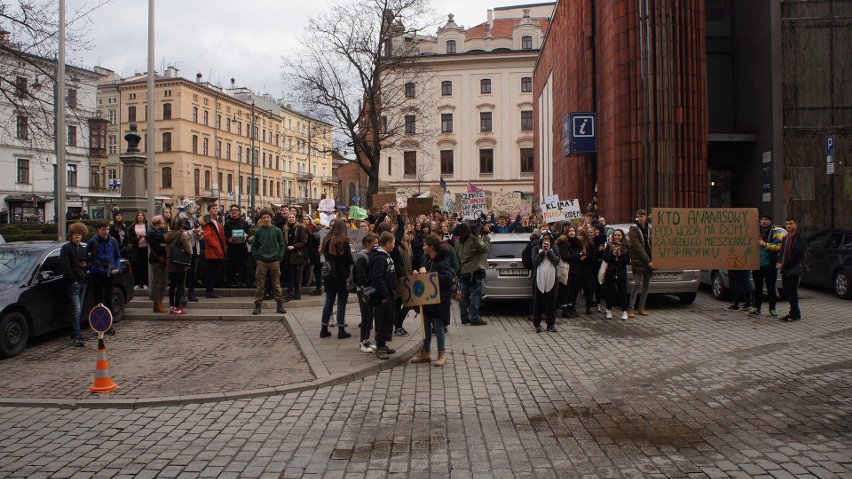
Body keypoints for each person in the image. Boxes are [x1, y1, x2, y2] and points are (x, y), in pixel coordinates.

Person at [410, 234, 454, 366]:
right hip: (427, 300)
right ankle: (426, 352)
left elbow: (447, 278)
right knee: (425, 327)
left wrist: (427, 275)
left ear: (432, 247)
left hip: (438, 301)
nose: (423, 247)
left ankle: (441, 353)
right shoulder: (427, 260)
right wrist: (417, 274)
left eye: (425, 245)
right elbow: (425, 275)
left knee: (438, 327)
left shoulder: (443, 261)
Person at [319, 220, 355, 339]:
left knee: (329, 301)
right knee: (341, 302)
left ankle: (324, 329)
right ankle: (341, 329)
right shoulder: (343, 242)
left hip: (329, 274)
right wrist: (352, 252)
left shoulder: (326, 240)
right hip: (341, 275)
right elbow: (349, 260)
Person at [87, 220, 121, 335]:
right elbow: (85, 255)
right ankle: (99, 325)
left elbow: (117, 256)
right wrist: (90, 266)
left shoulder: (112, 241)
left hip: (109, 273)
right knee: (98, 300)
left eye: (107, 229)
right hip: (97, 273)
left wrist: (117, 267)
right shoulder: (93, 241)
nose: (106, 232)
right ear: (98, 230)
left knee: (108, 298)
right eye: (103, 229)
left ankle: (109, 324)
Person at [749, 212, 786, 318]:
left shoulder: (776, 232)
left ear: (770, 221)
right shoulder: (755, 231)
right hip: (757, 264)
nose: (763, 221)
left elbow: (779, 246)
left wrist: (766, 244)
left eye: (766, 219)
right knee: (757, 288)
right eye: (762, 219)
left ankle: (772, 309)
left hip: (770, 264)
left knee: (771, 288)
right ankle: (756, 307)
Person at [251, 209, 286, 315]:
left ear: (271, 218)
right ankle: (258, 305)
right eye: (264, 218)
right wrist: (257, 257)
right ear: (261, 219)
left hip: (274, 260)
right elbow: (254, 246)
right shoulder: (258, 232)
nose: (266, 219)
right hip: (262, 261)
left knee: (276, 284)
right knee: (260, 284)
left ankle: (279, 304)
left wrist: (279, 256)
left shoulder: (277, 231)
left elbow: (281, 245)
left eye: (267, 217)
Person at [454, 221, 490, 326]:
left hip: (463, 271)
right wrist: (486, 237)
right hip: (474, 271)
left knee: (464, 295)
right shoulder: (474, 240)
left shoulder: (458, 242)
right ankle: (474, 317)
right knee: (475, 294)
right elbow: (485, 248)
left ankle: (464, 317)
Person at [60, 222, 90, 346]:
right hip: (74, 283)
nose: (77, 235)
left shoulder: (82, 249)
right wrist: (73, 279)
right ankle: (77, 335)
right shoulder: (66, 248)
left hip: (82, 281)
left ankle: (75, 332)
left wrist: (85, 266)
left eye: (79, 233)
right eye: (74, 233)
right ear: (71, 235)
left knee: (79, 309)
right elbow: (65, 266)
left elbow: (86, 263)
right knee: (76, 310)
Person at [369, 231, 398, 360]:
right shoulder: (380, 258)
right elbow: (377, 278)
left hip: (389, 292)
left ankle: (384, 344)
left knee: (388, 319)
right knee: (382, 320)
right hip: (383, 295)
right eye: (393, 243)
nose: (394, 245)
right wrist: (384, 294)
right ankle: (380, 346)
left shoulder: (386, 255)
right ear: (388, 244)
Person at [777, 217, 807, 322]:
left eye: (790, 224)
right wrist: (780, 261)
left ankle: (794, 313)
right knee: (786, 291)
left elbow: (797, 254)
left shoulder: (799, 238)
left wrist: (784, 264)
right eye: (787, 224)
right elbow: (782, 252)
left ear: (796, 225)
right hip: (785, 268)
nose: (788, 226)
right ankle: (794, 312)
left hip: (794, 268)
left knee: (792, 291)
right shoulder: (785, 237)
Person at [353, 233, 378, 353]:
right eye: (375, 243)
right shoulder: (362, 257)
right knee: (366, 316)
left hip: (369, 290)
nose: (376, 245)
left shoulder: (369, 255)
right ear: (367, 244)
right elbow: (360, 277)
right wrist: (366, 287)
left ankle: (367, 340)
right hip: (363, 291)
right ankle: (362, 341)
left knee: (369, 316)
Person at [531, 229, 560, 333]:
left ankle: (550, 324)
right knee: (538, 302)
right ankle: (537, 324)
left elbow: (556, 261)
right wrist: (543, 252)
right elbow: (535, 262)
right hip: (539, 278)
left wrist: (549, 252)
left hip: (551, 279)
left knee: (551, 303)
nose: (546, 241)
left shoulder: (555, 248)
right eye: (544, 239)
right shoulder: (535, 249)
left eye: (548, 239)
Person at [628, 209, 654, 318]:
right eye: (638, 216)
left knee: (646, 284)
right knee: (637, 283)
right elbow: (637, 246)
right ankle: (630, 308)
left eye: (642, 216)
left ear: (646, 216)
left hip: (649, 260)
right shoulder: (634, 229)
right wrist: (648, 261)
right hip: (639, 261)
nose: (640, 218)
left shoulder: (648, 228)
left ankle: (641, 307)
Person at [165, 216, 191, 315]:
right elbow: (187, 249)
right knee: (180, 285)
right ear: (181, 225)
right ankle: (177, 306)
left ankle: (171, 306)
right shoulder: (180, 235)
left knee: (172, 285)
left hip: (170, 263)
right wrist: (188, 256)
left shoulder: (168, 234)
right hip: (179, 264)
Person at [602, 229, 631, 320]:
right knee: (609, 292)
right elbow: (605, 258)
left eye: (619, 235)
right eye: (615, 235)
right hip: (611, 272)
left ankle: (624, 311)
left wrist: (620, 255)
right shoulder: (609, 245)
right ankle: (609, 310)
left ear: (622, 236)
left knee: (622, 292)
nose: (617, 237)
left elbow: (627, 260)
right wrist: (613, 255)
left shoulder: (626, 246)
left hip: (621, 272)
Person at [178, 202, 203, 305]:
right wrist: (192, 232)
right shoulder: (180, 220)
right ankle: (182, 294)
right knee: (183, 273)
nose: (193, 210)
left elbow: (199, 237)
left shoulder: (195, 220)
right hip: (185, 249)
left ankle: (191, 293)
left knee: (193, 272)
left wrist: (199, 234)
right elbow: (180, 236)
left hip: (194, 249)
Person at [200, 204, 227, 298]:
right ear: (209, 210)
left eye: (216, 208)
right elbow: (208, 236)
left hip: (217, 250)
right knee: (212, 272)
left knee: (215, 272)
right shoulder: (208, 222)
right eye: (213, 208)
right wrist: (218, 248)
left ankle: (210, 291)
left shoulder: (217, 221)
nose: (215, 210)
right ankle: (209, 291)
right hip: (213, 251)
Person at [224, 204, 251, 288]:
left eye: (236, 210)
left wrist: (246, 236)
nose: (234, 212)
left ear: (239, 212)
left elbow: (248, 234)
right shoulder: (227, 223)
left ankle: (244, 282)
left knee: (244, 265)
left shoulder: (244, 222)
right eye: (232, 210)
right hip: (232, 248)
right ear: (230, 212)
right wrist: (228, 240)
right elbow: (224, 236)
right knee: (232, 266)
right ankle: (233, 282)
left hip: (242, 248)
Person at [146, 215, 168, 313]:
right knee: (157, 282)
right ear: (156, 223)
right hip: (157, 259)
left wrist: (165, 245)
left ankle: (160, 301)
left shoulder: (163, 232)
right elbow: (156, 247)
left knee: (164, 282)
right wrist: (164, 246)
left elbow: (168, 244)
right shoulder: (151, 233)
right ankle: (156, 302)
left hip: (165, 259)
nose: (163, 225)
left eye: (163, 223)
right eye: (161, 223)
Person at [283, 213, 307, 300]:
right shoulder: (285, 228)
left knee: (296, 275)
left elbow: (304, 242)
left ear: (295, 218)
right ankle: (291, 292)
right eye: (289, 217)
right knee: (290, 274)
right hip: (288, 254)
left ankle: (295, 292)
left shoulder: (300, 228)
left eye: (293, 217)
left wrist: (294, 246)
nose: (291, 219)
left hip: (297, 254)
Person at [126, 211, 149, 289]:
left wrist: (145, 236)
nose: (140, 216)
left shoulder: (147, 226)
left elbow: (150, 235)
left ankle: (145, 283)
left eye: (141, 215)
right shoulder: (132, 227)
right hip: (136, 248)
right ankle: (137, 283)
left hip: (145, 248)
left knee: (145, 266)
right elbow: (130, 238)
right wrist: (137, 238)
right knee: (137, 266)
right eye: (138, 215)